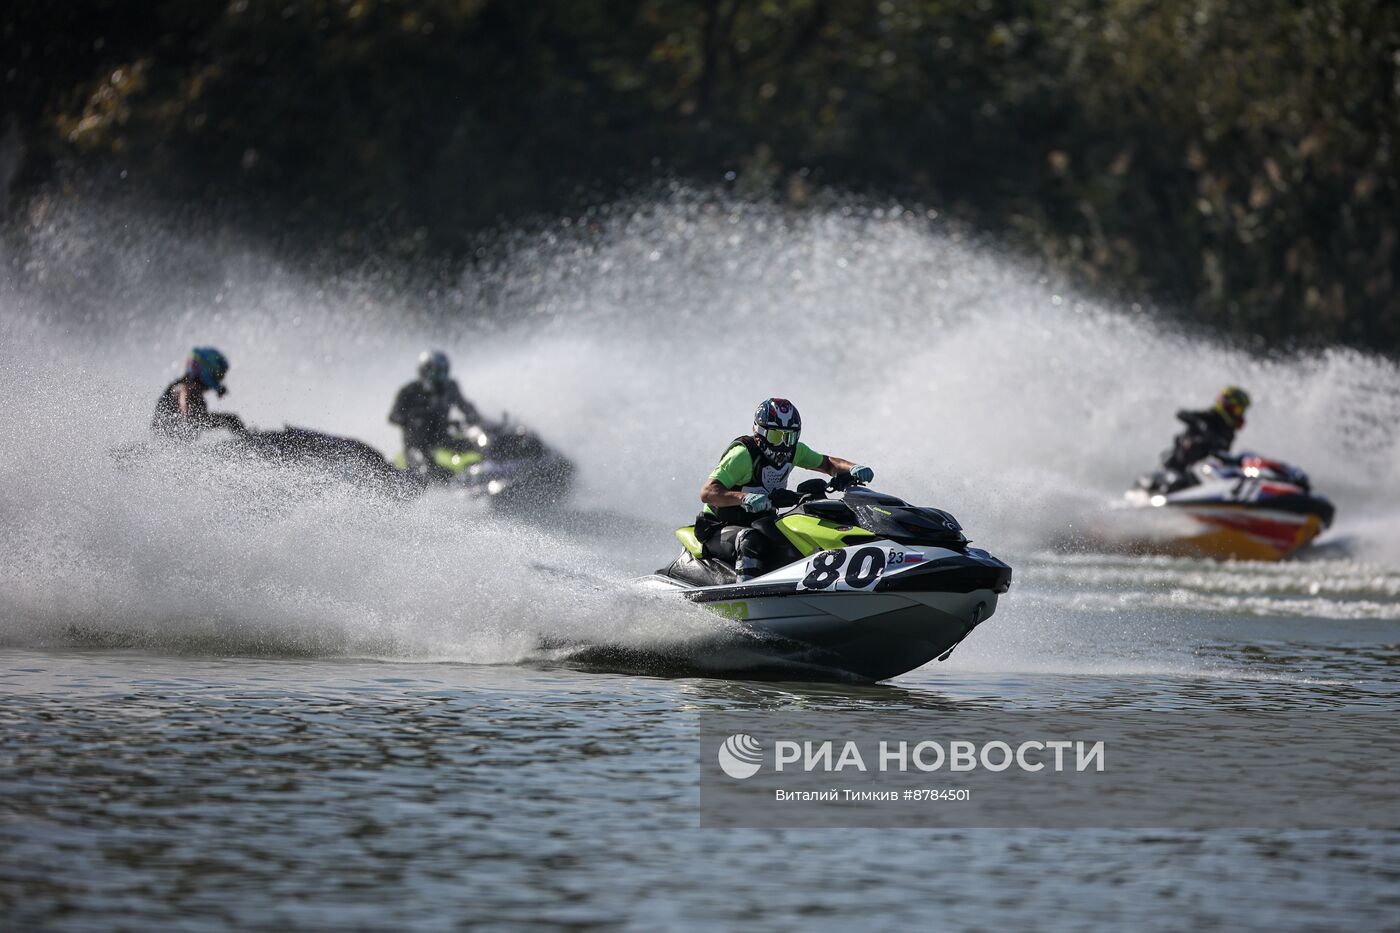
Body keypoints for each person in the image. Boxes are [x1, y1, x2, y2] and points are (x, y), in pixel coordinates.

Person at [696, 398, 874, 582]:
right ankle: (746, 597)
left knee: (794, 535)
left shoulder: (795, 451)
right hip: (717, 526)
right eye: (775, 436)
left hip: (757, 521)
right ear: (759, 432)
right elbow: (707, 492)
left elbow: (827, 463)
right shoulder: (743, 456)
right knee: (750, 539)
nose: (783, 444)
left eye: (789, 437)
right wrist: (744, 498)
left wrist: (853, 468)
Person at [389, 350, 482, 477]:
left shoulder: (450, 387)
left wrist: (474, 417)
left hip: (443, 437)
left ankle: (479, 475)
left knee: (475, 448)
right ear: (424, 371)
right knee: (426, 470)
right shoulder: (409, 391)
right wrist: (414, 418)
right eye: (436, 373)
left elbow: (464, 406)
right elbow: (394, 416)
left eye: (444, 372)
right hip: (417, 444)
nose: (440, 377)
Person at [151, 346, 244, 441]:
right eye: (218, 376)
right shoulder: (185, 388)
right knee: (232, 420)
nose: (219, 381)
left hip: (172, 449)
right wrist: (228, 421)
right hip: (170, 449)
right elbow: (193, 419)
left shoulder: (182, 387)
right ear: (208, 372)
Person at [1163, 385, 1251, 473]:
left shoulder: (1228, 432)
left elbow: (1222, 455)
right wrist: (1200, 424)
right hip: (1180, 468)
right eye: (1237, 410)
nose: (1239, 415)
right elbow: (1181, 413)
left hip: (1208, 471)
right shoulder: (1208, 416)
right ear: (1227, 405)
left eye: (1241, 411)